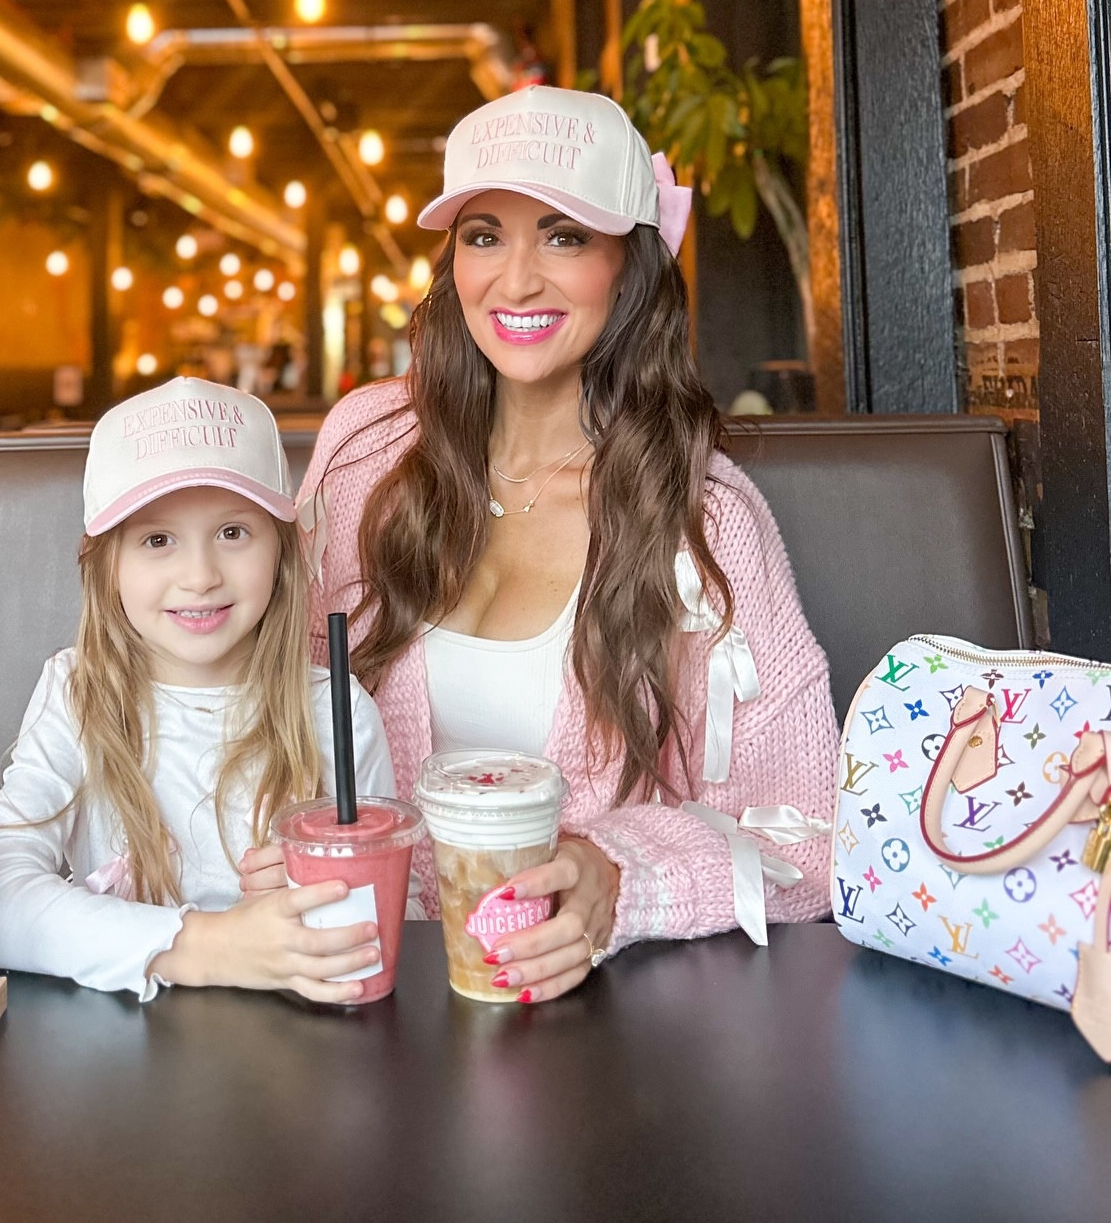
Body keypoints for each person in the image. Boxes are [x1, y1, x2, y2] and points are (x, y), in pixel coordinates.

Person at [297, 87, 839, 1004]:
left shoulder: (702, 521)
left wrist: (615, 877)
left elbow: (810, 835)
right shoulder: (363, 450)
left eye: (563, 236)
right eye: (482, 235)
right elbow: (261, 712)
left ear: (629, 265)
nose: (515, 280)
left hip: (594, 1024)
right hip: (355, 991)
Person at [0, 377, 399, 1004]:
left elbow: (396, 918)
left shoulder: (335, 712)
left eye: (233, 533)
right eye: (157, 540)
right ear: (105, 564)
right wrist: (214, 945)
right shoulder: (77, 694)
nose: (199, 576)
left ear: (284, 554)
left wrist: (333, 892)